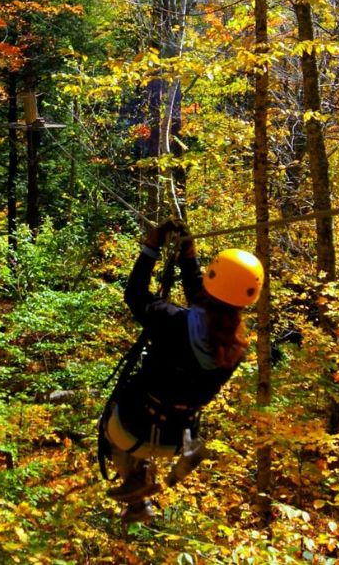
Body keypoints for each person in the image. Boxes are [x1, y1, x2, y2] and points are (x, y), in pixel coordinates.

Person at [98, 219, 263, 524]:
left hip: (132, 426)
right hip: (177, 437)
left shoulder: (171, 321)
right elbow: (207, 303)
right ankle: (142, 493)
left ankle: (136, 482)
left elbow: (135, 294)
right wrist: (188, 257)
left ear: (211, 279)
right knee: (144, 413)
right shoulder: (236, 347)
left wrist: (151, 246)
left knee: (111, 427)